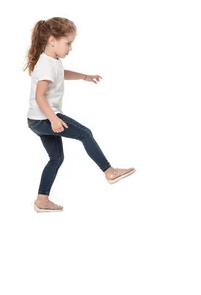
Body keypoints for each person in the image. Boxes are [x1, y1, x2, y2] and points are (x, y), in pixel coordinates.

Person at [25, 17, 135, 213]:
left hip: (38, 119)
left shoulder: (53, 61)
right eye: (68, 43)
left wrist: (84, 77)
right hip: (44, 118)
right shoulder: (45, 65)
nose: (70, 48)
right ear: (52, 40)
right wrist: (53, 119)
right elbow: (39, 97)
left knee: (56, 158)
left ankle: (42, 200)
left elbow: (61, 73)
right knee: (85, 133)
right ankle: (109, 171)